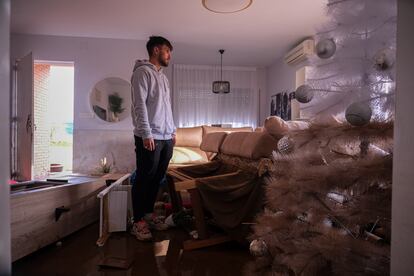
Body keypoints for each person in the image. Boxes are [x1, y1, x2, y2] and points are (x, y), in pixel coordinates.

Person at [130, 36, 176, 241]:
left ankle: (148, 215)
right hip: (150, 136)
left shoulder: (163, 77)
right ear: (156, 50)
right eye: (167, 51)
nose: (169, 56)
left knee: (157, 178)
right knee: (144, 177)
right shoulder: (142, 73)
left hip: (166, 136)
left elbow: (166, 107)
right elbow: (139, 105)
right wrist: (147, 133)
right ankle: (138, 221)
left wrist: (172, 131)